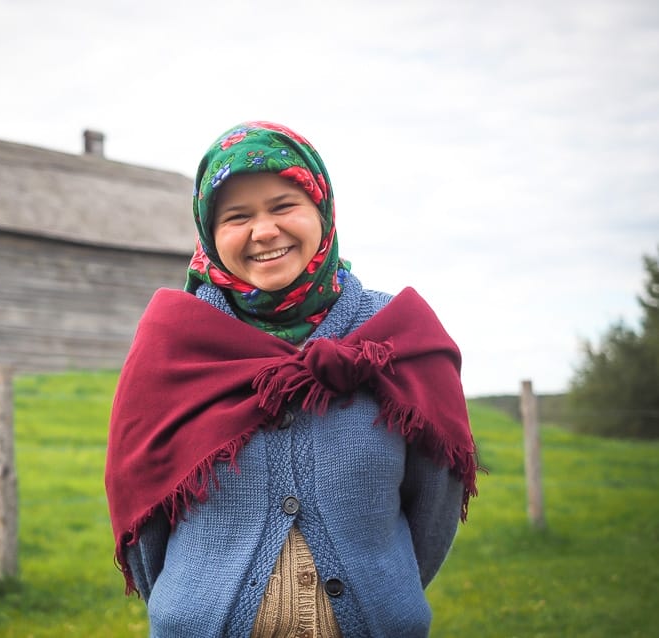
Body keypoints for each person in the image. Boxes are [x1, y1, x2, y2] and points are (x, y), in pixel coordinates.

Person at [105, 121, 477, 637]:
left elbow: (434, 502)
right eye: (237, 216)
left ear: (322, 210)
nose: (263, 231)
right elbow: (142, 508)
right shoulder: (175, 344)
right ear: (210, 234)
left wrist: (386, 590)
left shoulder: (393, 335)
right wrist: (191, 603)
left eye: (283, 206)